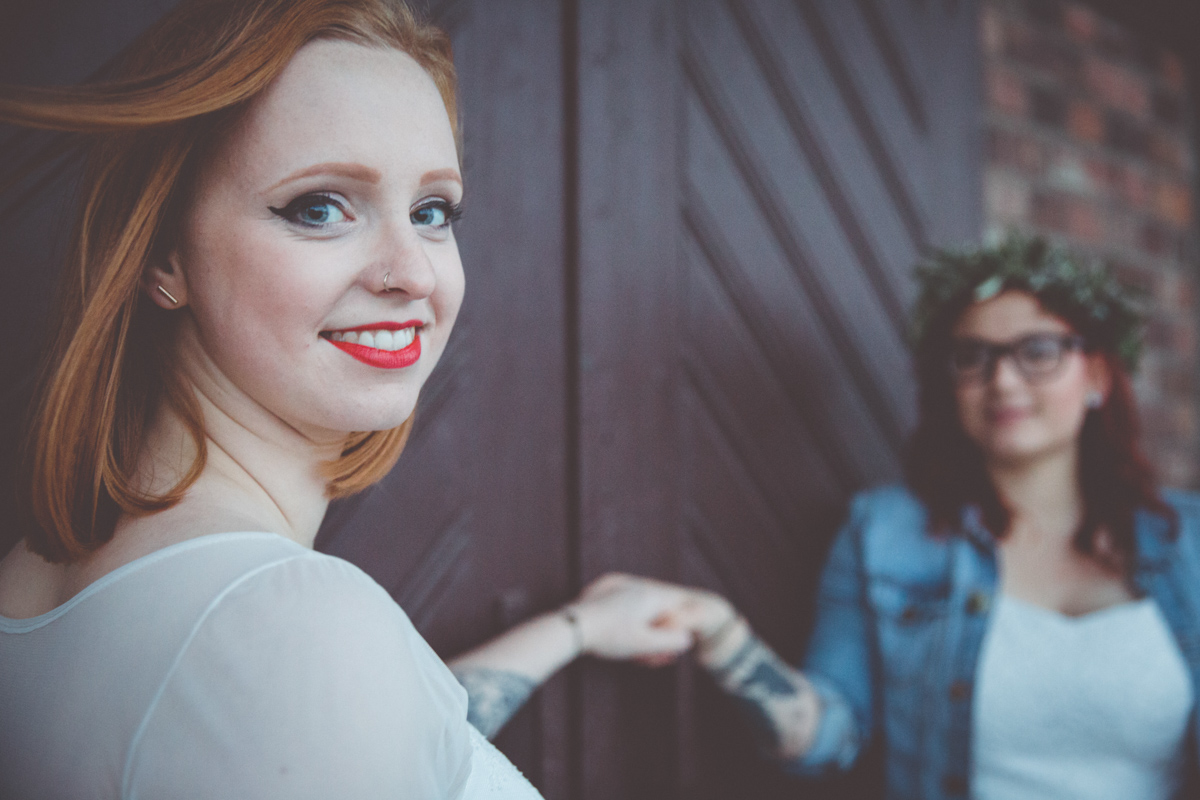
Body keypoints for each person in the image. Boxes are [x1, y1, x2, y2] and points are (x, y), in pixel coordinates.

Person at [0, 1, 691, 797]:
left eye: (433, 211)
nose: (413, 272)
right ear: (163, 256)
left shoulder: (39, 571)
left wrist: (577, 630)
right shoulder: (297, 630)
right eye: (320, 207)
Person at [465, 236, 1200, 800]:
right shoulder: (888, 533)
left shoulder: (1189, 543)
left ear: (1098, 374)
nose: (1001, 378)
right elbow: (824, 734)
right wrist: (724, 634)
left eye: (1037, 351)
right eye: (972, 356)